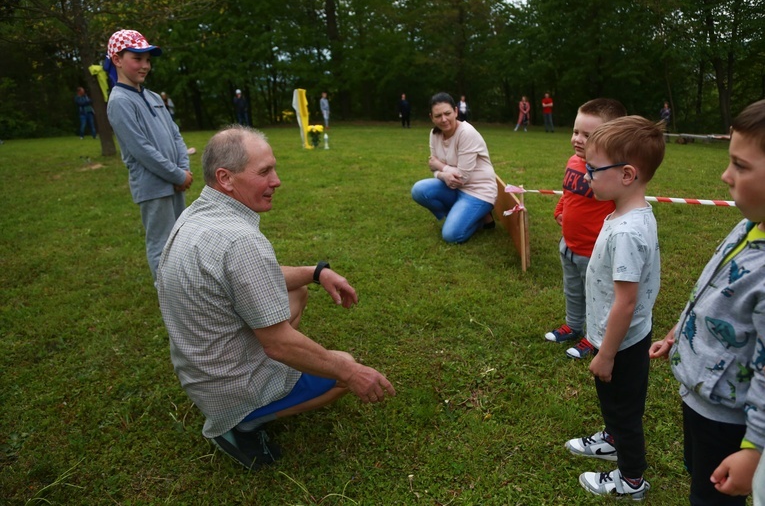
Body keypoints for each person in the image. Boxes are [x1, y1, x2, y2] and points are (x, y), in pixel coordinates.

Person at [156, 125, 396, 470]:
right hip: (226, 386)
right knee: (341, 367)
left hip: (199, 368)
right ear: (225, 178)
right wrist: (350, 371)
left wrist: (316, 272)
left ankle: (248, 399)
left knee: (296, 292)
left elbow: (250, 277)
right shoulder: (240, 240)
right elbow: (278, 345)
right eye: (265, 171)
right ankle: (241, 424)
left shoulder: (197, 216)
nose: (277, 180)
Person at [650, 100, 765, 506]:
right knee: (698, 471)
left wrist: (753, 450)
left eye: (741, 165)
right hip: (699, 398)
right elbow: (709, 290)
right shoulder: (748, 224)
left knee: (712, 497)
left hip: (730, 420)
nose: (725, 175)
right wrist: (677, 332)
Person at [564, 115, 665, 500]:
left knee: (625, 411)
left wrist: (605, 354)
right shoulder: (630, 213)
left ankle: (632, 479)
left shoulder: (626, 231)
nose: (586, 175)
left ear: (626, 174)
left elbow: (626, 301)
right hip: (624, 338)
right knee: (616, 403)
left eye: (593, 169)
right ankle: (611, 439)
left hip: (619, 344)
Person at [105, 29, 193, 281]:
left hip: (176, 182)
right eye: (137, 58)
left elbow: (175, 135)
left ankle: (183, 285)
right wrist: (176, 174)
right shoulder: (119, 101)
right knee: (161, 243)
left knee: (180, 237)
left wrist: (183, 169)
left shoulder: (152, 96)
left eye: (148, 60)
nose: (145, 66)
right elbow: (141, 149)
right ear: (117, 60)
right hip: (153, 186)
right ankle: (166, 292)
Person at [544, 99, 627, 360]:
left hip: (595, 253)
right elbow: (569, 192)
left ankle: (595, 337)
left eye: (588, 135)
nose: (578, 139)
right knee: (573, 290)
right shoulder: (573, 161)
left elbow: (624, 209)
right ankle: (573, 325)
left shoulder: (610, 173)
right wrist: (560, 209)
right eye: (575, 132)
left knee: (598, 297)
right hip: (568, 245)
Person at [411, 92, 497, 244]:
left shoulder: (466, 133)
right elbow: (434, 169)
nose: (443, 119)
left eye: (447, 113)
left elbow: (461, 177)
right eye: (438, 116)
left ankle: (479, 219)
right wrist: (442, 173)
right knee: (419, 190)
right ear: (431, 117)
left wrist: (439, 166)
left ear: (456, 111)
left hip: (478, 191)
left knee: (451, 236)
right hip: (452, 186)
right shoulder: (434, 134)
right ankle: (460, 216)